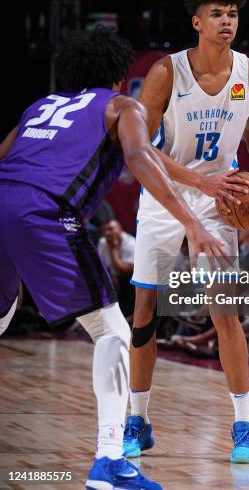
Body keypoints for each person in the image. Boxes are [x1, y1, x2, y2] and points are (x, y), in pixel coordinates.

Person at [0, 26, 226, 490]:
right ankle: (109, 462)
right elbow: (142, 156)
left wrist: (200, 183)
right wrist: (192, 222)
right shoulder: (123, 106)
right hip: (45, 212)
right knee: (111, 329)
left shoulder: (38, 107)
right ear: (121, 78)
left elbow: (4, 158)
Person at [124, 0, 249, 464]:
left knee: (224, 312)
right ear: (197, 21)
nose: (226, 21)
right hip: (167, 195)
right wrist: (198, 183)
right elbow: (140, 146)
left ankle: (245, 426)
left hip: (221, 199)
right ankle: (137, 418)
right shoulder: (167, 73)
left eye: (232, 14)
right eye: (216, 14)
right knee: (145, 311)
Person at [98, 219, 136, 317]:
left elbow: (123, 270)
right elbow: (101, 267)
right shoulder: (102, 242)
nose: (107, 233)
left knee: (126, 279)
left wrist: (113, 248)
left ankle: (128, 313)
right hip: (113, 279)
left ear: (120, 229)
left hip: (131, 282)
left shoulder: (131, 244)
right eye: (104, 231)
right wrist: (110, 277)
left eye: (110, 229)